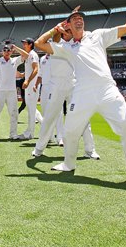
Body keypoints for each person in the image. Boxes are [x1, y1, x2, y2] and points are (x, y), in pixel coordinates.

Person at [38, 0, 126, 187]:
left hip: (107, 90)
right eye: (74, 18)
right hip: (82, 93)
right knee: (70, 131)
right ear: (67, 25)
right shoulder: (65, 47)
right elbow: (40, 44)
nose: (79, 19)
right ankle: (68, 164)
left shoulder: (98, 35)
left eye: (81, 17)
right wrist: (55, 28)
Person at [33, 28, 99, 159]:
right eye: (67, 30)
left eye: (70, 30)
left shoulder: (76, 45)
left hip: (73, 83)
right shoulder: (57, 44)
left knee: (83, 117)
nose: (70, 32)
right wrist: (58, 27)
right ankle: (39, 148)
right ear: (63, 33)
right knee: (49, 118)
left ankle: (90, 150)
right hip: (56, 85)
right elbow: (54, 38)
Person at [13, 38, 44, 139]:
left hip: (32, 86)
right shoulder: (29, 55)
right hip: (30, 86)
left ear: (30, 44)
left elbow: (36, 69)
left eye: (25, 43)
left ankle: (29, 133)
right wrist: (23, 76)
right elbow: (30, 69)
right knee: (32, 109)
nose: (23, 44)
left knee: (31, 110)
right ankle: (48, 131)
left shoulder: (33, 55)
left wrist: (27, 81)